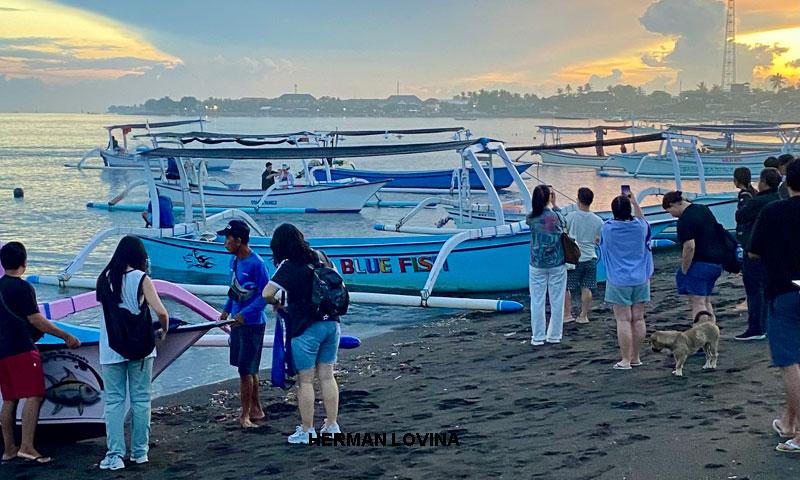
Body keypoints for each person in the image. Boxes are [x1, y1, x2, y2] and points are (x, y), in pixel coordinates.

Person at [1, 242, 81, 465]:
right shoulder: (23, 288)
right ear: (24, 263)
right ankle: (27, 447)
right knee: (34, 394)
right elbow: (36, 320)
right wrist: (66, 336)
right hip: (22, 348)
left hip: (2, 350)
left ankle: (9, 449)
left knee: (9, 399)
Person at [262, 223, 341, 443]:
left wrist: (277, 304)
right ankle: (332, 425)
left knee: (305, 381)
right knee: (327, 375)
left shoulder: (289, 265)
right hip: (332, 323)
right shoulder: (321, 256)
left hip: (305, 328)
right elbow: (338, 281)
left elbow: (266, 293)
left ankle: (307, 431)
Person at [95, 236, 168, 471]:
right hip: (140, 349)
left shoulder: (104, 279)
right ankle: (140, 452)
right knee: (141, 399)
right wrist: (163, 331)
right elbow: (162, 312)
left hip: (111, 348)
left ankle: (115, 454)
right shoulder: (141, 278)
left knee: (114, 401)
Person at [748, 160, 800, 453]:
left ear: (787, 183)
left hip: (785, 290)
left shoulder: (773, 212)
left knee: (788, 361)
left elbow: (754, 252)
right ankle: (788, 421)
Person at [217, 220, 269, 429]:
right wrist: (226, 309)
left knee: (246, 371)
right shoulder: (234, 262)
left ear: (239, 241)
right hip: (237, 322)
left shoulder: (257, 263)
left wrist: (245, 314)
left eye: (228, 239)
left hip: (252, 324)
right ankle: (256, 409)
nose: (225, 243)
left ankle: (245, 415)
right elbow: (234, 289)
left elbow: (266, 296)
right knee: (246, 368)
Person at [600, 193, 653, 370]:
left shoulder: (608, 228)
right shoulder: (641, 227)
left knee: (623, 320)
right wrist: (635, 202)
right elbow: (643, 220)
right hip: (640, 277)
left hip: (618, 279)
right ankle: (636, 357)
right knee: (638, 318)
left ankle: (625, 359)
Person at [734, 167, 782, 341]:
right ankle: (768, 324)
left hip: (756, 251)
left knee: (754, 290)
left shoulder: (756, 202)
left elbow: (740, 216)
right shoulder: (780, 198)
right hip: (776, 253)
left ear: (764, 182)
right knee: (770, 289)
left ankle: (756, 327)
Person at [662, 191, 725, 321]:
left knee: (698, 303)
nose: (672, 215)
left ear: (673, 204)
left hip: (700, 264)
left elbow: (690, 246)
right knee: (706, 301)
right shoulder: (703, 209)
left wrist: (685, 269)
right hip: (716, 261)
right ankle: (712, 332)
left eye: (669, 211)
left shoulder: (684, 220)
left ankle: (701, 334)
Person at [526, 185, 567, 346]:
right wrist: (555, 204)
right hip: (557, 262)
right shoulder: (556, 216)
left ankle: (538, 336)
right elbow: (565, 221)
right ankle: (554, 335)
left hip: (537, 263)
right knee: (557, 300)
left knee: (537, 300)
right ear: (549, 197)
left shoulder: (530, 218)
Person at [564, 187, 603, 324]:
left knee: (567, 287)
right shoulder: (598, 220)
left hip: (574, 258)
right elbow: (598, 238)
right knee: (586, 287)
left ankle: (567, 315)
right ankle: (584, 315)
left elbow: (564, 233)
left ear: (578, 200)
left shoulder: (570, 217)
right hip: (591, 257)